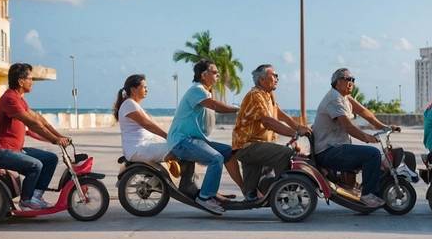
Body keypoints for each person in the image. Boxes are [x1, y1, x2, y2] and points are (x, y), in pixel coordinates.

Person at [0, 63, 71, 210]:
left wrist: (60, 136)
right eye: (30, 78)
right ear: (20, 81)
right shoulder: (10, 99)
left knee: (50, 158)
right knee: (35, 165)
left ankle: (36, 196)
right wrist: (55, 140)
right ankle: (26, 200)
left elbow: (39, 119)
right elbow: (33, 123)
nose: (32, 82)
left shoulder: (19, 99)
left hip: (13, 149)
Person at [311, 68, 397, 208]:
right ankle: (368, 195)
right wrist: (367, 138)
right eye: (347, 79)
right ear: (337, 82)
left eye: (353, 80)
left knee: (368, 154)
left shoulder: (344, 97)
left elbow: (364, 112)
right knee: (372, 154)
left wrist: (383, 127)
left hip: (335, 147)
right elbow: (348, 126)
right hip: (328, 151)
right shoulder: (334, 99)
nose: (351, 82)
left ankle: (360, 188)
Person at [167, 59, 242, 215]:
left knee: (229, 152)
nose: (218, 75)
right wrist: (239, 110)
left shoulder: (205, 91)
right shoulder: (197, 90)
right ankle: (205, 197)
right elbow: (215, 106)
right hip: (182, 141)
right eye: (214, 72)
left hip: (195, 140)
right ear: (203, 75)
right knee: (216, 158)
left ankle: (243, 190)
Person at [232, 64, 310, 201]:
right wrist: (293, 133)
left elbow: (280, 114)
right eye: (274, 75)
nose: (277, 78)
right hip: (248, 146)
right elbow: (268, 121)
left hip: (258, 145)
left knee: (252, 191)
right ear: (262, 80)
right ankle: (285, 192)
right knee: (286, 154)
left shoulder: (268, 95)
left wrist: (298, 127)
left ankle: (263, 192)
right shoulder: (255, 95)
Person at [114, 74, 170, 163]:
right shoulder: (129, 104)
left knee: (179, 147)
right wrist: (168, 136)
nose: (146, 90)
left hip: (142, 147)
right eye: (144, 87)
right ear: (133, 90)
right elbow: (147, 124)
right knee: (179, 148)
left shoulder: (132, 104)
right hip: (139, 149)